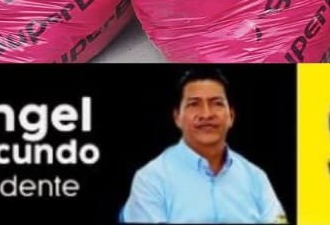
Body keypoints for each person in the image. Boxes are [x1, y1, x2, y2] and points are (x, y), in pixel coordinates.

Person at [121, 68, 286, 224]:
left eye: (217, 103)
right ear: (177, 117)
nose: (206, 114)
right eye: (194, 104)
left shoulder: (256, 178)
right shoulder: (151, 179)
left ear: (231, 116)